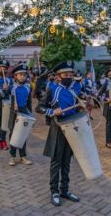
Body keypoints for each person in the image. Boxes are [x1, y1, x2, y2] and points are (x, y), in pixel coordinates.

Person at [41, 61, 81, 206]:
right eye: (65, 75)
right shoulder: (52, 89)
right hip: (58, 128)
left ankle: (64, 189)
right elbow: (40, 107)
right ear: (58, 77)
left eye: (70, 74)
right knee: (56, 161)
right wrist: (52, 111)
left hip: (72, 128)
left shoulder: (74, 89)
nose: (69, 77)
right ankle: (54, 192)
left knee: (67, 161)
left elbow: (79, 107)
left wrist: (86, 104)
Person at [8, 64, 32, 166]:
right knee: (13, 135)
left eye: (24, 75)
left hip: (24, 111)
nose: (22, 77)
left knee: (23, 134)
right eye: (20, 75)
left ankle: (23, 156)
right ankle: (12, 157)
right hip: (14, 113)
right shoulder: (11, 87)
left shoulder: (28, 87)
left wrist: (30, 115)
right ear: (15, 76)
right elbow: (3, 95)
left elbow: (29, 102)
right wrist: (4, 90)